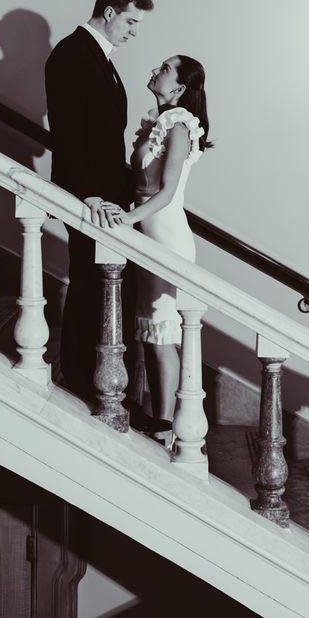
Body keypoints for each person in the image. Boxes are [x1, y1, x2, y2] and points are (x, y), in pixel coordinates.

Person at [44, 0, 154, 406]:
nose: (133, 30)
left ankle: (97, 384)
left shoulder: (99, 57)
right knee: (90, 286)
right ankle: (77, 381)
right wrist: (89, 194)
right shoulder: (72, 54)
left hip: (109, 196)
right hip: (91, 199)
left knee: (100, 287)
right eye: (130, 20)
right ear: (109, 12)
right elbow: (69, 132)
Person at [120, 56, 212, 430]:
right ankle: (158, 421)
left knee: (161, 332)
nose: (154, 71)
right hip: (147, 229)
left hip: (166, 234)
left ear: (177, 88)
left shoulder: (179, 126)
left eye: (164, 69)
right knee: (148, 330)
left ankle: (165, 426)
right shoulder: (159, 122)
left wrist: (127, 218)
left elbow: (168, 190)